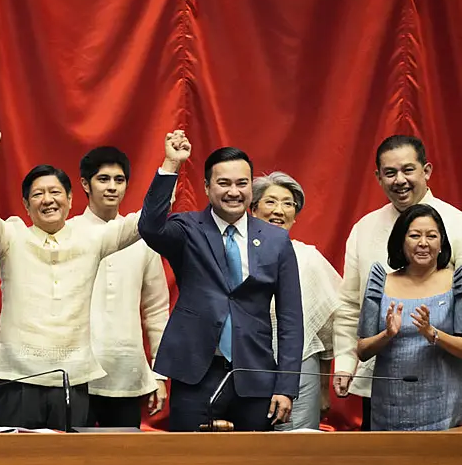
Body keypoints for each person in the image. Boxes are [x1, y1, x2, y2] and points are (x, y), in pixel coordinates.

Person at [0, 126, 142, 430]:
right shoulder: (11, 236)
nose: (47, 200)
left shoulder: (92, 238)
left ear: (71, 199)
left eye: (55, 192)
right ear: (26, 205)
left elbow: (146, 222)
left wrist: (171, 167)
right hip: (17, 376)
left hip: (72, 378)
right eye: (37, 194)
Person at [138, 131, 303, 432]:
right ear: (206, 186)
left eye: (242, 183)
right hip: (195, 372)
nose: (233, 192)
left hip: (255, 373)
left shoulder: (276, 240)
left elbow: (292, 319)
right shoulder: (187, 228)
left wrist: (286, 385)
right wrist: (171, 165)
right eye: (223, 183)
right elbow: (149, 226)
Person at [332, 135, 462, 430]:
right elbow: (350, 304)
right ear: (378, 177)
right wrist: (344, 361)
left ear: (426, 171)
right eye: (390, 173)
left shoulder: (457, 225)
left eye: (408, 170)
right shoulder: (364, 229)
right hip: (382, 382)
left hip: (448, 383)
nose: (400, 180)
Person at [69, 146, 170, 427]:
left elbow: (157, 309)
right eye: (103, 179)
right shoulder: (67, 233)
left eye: (119, 179)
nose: (112, 187)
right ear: (85, 184)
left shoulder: (142, 237)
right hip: (76, 373)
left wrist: (159, 375)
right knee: (73, 464)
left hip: (127, 372)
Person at [357, 204, 462, 430]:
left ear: (442, 242)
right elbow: (363, 351)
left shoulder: (456, 283)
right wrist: (387, 334)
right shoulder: (380, 282)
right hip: (390, 406)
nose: (423, 243)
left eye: (431, 236)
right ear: (401, 241)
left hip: (444, 407)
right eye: (414, 235)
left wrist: (433, 334)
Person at [251, 171, 341, 430]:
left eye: (288, 203)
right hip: (247, 366)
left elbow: (327, 329)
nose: (279, 210)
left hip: (301, 367)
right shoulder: (237, 253)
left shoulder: (309, 257)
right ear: (253, 209)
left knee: (298, 451)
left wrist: (324, 387)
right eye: (270, 202)